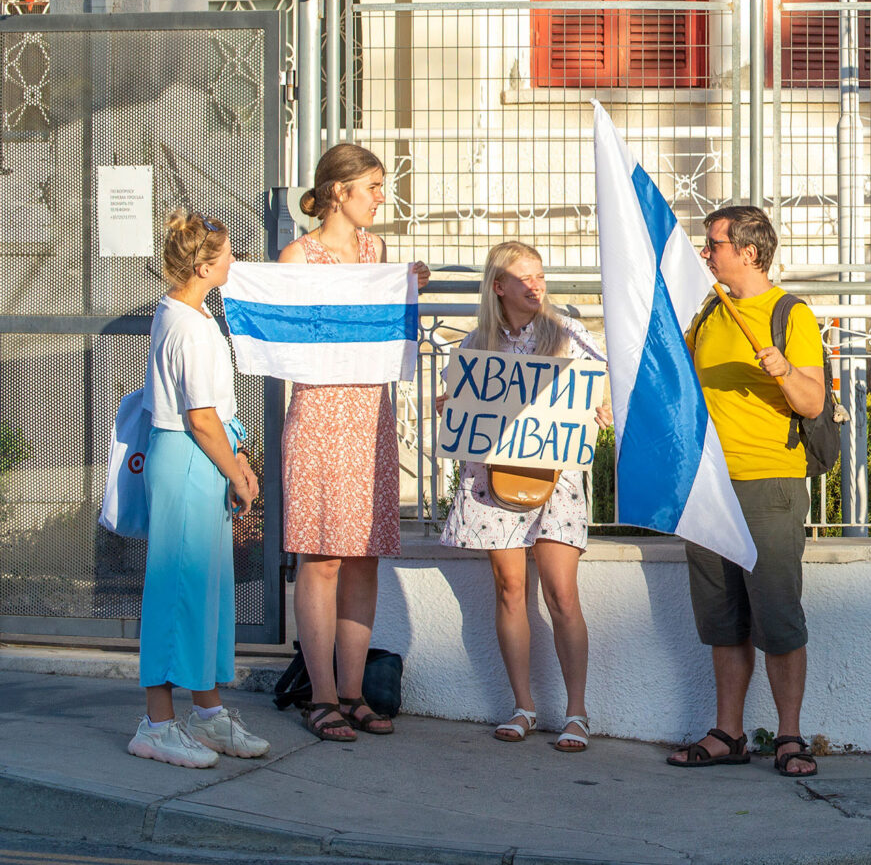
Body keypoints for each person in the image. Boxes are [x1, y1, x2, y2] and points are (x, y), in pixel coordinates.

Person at [669, 205, 828, 779]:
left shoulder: (790, 314)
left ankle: (789, 736)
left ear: (749, 252)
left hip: (768, 483)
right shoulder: (712, 310)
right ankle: (728, 733)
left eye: (713, 243)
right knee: (723, 618)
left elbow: (812, 402)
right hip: (708, 485)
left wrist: (783, 369)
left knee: (778, 616)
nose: (704, 253)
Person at [280, 143, 431, 743]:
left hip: (370, 414)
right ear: (339, 192)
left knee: (363, 555)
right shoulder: (298, 256)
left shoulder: (378, 252)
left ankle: (352, 692)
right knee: (321, 557)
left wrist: (407, 287)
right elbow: (287, 337)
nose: (380, 197)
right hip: (320, 413)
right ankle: (319, 696)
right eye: (372, 186)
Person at [438, 241, 608, 752]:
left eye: (540, 276)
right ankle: (523, 706)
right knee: (509, 588)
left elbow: (602, 387)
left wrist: (601, 408)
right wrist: (452, 404)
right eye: (524, 278)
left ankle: (577, 712)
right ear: (499, 287)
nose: (536, 286)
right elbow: (461, 404)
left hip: (556, 478)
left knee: (561, 594)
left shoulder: (568, 334)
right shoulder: (476, 344)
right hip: (494, 478)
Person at [129, 211, 272, 768]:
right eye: (227, 253)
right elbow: (201, 416)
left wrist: (238, 459)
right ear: (204, 266)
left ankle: (207, 714)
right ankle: (156, 725)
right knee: (177, 590)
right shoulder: (187, 324)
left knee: (205, 591)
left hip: (201, 457)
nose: (234, 259)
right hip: (189, 458)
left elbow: (214, 414)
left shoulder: (190, 313)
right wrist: (236, 470)